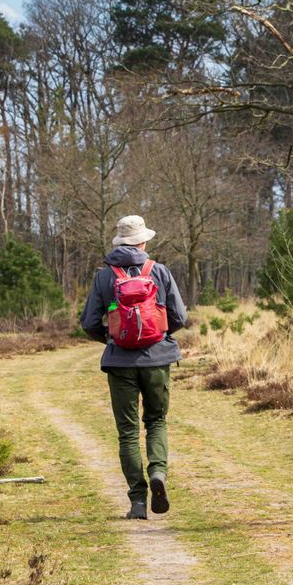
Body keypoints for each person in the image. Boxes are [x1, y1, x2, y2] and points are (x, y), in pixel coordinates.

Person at [80, 215, 187, 520]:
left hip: (119, 363)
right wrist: (160, 339)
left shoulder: (104, 277)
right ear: (143, 242)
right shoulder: (160, 272)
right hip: (157, 361)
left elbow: (88, 323)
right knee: (155, 421)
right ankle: (158, 474)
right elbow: (179, 317)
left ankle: (138, 502)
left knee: (127, 432)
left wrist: (113, 339)